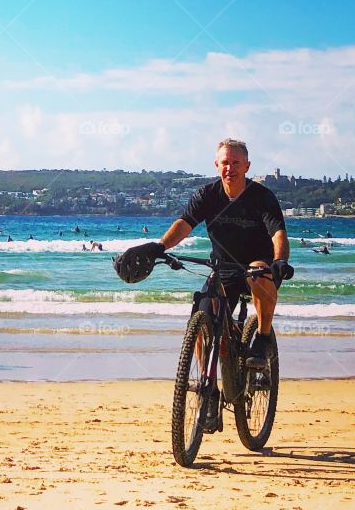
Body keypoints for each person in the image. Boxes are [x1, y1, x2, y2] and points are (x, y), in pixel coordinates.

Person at [115, 138, 290, 387]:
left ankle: (262, 339)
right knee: (200, 317)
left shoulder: (262, 197)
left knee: (257, 273)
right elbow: (185, 223)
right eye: (225, 163)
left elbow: (278, 233)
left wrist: (280, 260)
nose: (230, 168)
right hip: (223, 268)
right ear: (217, 165)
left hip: (258, 266)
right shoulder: (207, 195)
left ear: (247, 166)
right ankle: (207, 385)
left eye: (236, 163)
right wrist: (160, 247)